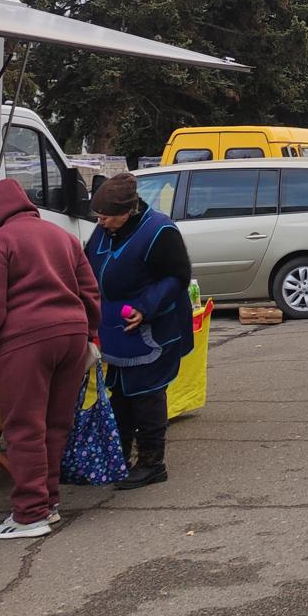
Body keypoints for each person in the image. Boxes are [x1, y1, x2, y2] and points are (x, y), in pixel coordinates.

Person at [0, 176, 101, 539]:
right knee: (55, 425)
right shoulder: (64, 237)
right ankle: (49, 504)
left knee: (25, 428)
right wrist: (87, 331)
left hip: (26, 341)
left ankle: (28, 514)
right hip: (72, 336)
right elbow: (90, 291)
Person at [88, 173, 196, 492]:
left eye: (106, 217)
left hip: (152, 328)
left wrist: (146, 306)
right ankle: (119, 458)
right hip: (116, 330)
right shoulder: (103, 230)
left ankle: (151, 463)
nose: (101, 222)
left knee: (147, 395)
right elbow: (87, 265)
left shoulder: (159, 231)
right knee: (120, 394)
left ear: (128, 212)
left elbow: (176, 277)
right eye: (98, 216)